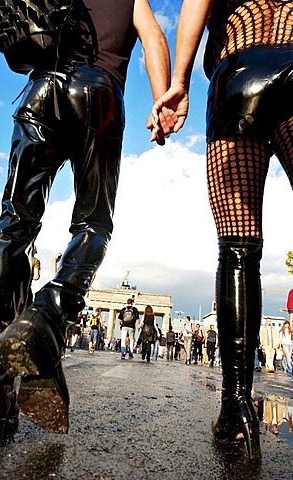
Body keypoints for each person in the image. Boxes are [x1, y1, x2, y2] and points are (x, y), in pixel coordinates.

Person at [0, 0, 171, 449]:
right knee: (93, 225)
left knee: (12, 225)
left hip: (40, 92)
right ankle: (49, 314)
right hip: (98, 94)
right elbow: (155, 39)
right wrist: (165, 96)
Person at [151, 0, 293, 459]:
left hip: (238, 66)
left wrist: (178, 83)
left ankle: (235, 406)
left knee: (237, 245)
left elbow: (197, 2)